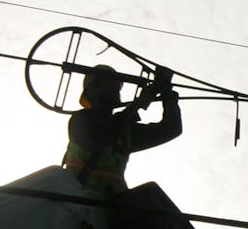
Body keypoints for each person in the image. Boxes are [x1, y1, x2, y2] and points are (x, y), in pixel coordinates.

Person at [63, 64, 182, 198]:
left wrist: (167, 94)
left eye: (117, 87)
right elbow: (98, 139)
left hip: (108, 210)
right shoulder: (80, 120)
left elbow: (171, 129)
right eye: (110, 85)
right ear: (93, 90)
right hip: (77, 205)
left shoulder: (125, 132)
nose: (116, 90)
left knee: (153, 199)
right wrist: (137, 105)